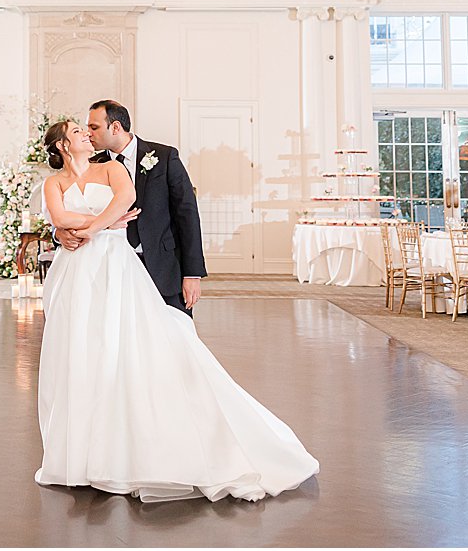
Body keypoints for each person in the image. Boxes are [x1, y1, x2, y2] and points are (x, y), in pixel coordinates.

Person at [35, 119, 319, 502]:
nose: (88, 133)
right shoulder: (55, 182)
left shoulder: (127, 164)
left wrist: (93, 230)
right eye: (79, 131)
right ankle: (85, 450)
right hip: (78, 274)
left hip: (127, 269)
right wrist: (92, 227)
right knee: (83, 353)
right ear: (64, 146)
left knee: (140, 350)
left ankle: (142, 444)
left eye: (92, 126)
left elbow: (134, 204)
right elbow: (60, 218)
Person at [54, 99, 205, 315]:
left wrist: (192, 274)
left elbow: (187, 215)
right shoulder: (93, 165)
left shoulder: (164, 157)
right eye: (86, 128)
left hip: (162, 269)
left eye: (94, 127)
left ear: (115, 127)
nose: (88, 134)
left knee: (171, 337)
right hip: (109, 270)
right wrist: (58, 233)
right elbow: (73, 207)